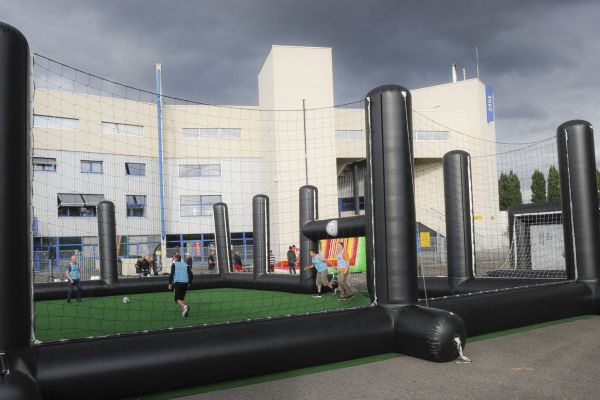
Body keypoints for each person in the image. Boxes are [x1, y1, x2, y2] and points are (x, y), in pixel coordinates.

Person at [168, 253, 193, 317]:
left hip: (178, 283)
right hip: (185, 283)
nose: (173, 259)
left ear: (175, 258)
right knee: (181, 298)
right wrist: (189, 283)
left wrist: (170, 283)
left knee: (176, 299)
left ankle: (185, 306)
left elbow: (171, 274)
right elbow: (191, 275)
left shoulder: (174, 264)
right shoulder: (185, 264)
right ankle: (185, 311)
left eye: (173, 257)